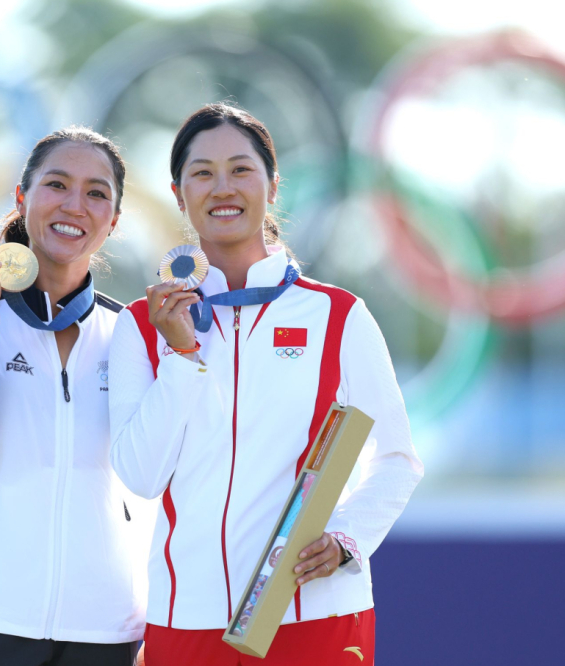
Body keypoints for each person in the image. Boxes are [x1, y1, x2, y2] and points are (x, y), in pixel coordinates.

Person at [108, 103, 424, 665]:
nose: (222, 187)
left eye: (241, 169)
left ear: (273, 185)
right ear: (179, 194)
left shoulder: (339, 315)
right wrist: (181, 352)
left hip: (317, 613)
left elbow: (397, 457)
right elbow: (141, 476)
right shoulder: (142, 324)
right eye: (202, 172)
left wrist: (347, 539)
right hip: (186, 620)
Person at [0, 127, 146, 666]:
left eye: (97, 193)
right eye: (57, 185)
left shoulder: (132, 336)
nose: (76, 204)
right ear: (22, 199)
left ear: (113, 220)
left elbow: (152, 473)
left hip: (106, 625)